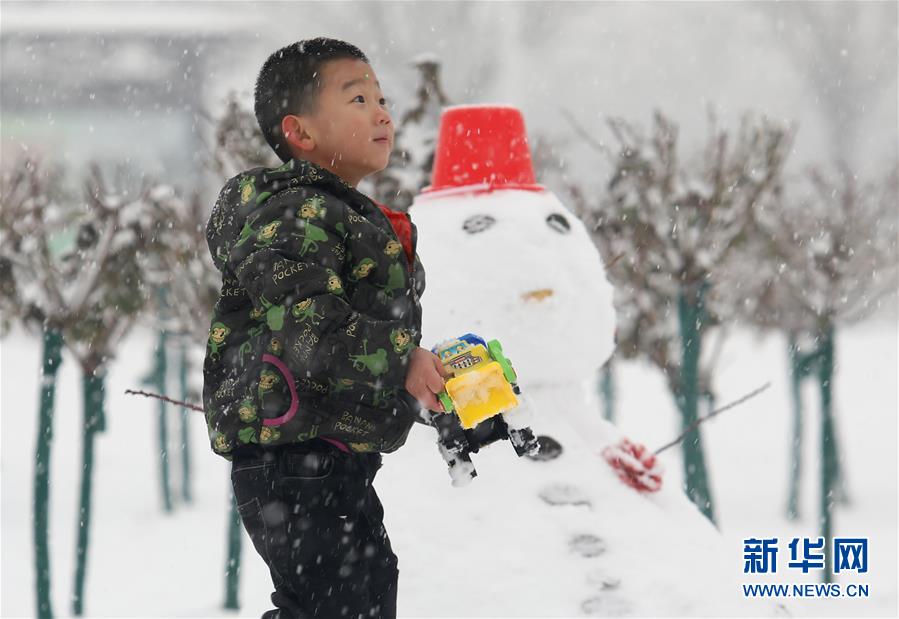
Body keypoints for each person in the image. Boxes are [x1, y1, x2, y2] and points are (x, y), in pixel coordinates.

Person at [202, 37, 447, 619]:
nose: (382, 112)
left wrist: (421, 380)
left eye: (381, 98)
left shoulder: (344, 217)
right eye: (358, 98)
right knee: (342, 603)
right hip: (292, 462)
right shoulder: (292, 215)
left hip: (329, 461)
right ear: (301, 133)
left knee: (355, 595)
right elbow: (308, 328)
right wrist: (401, 360)